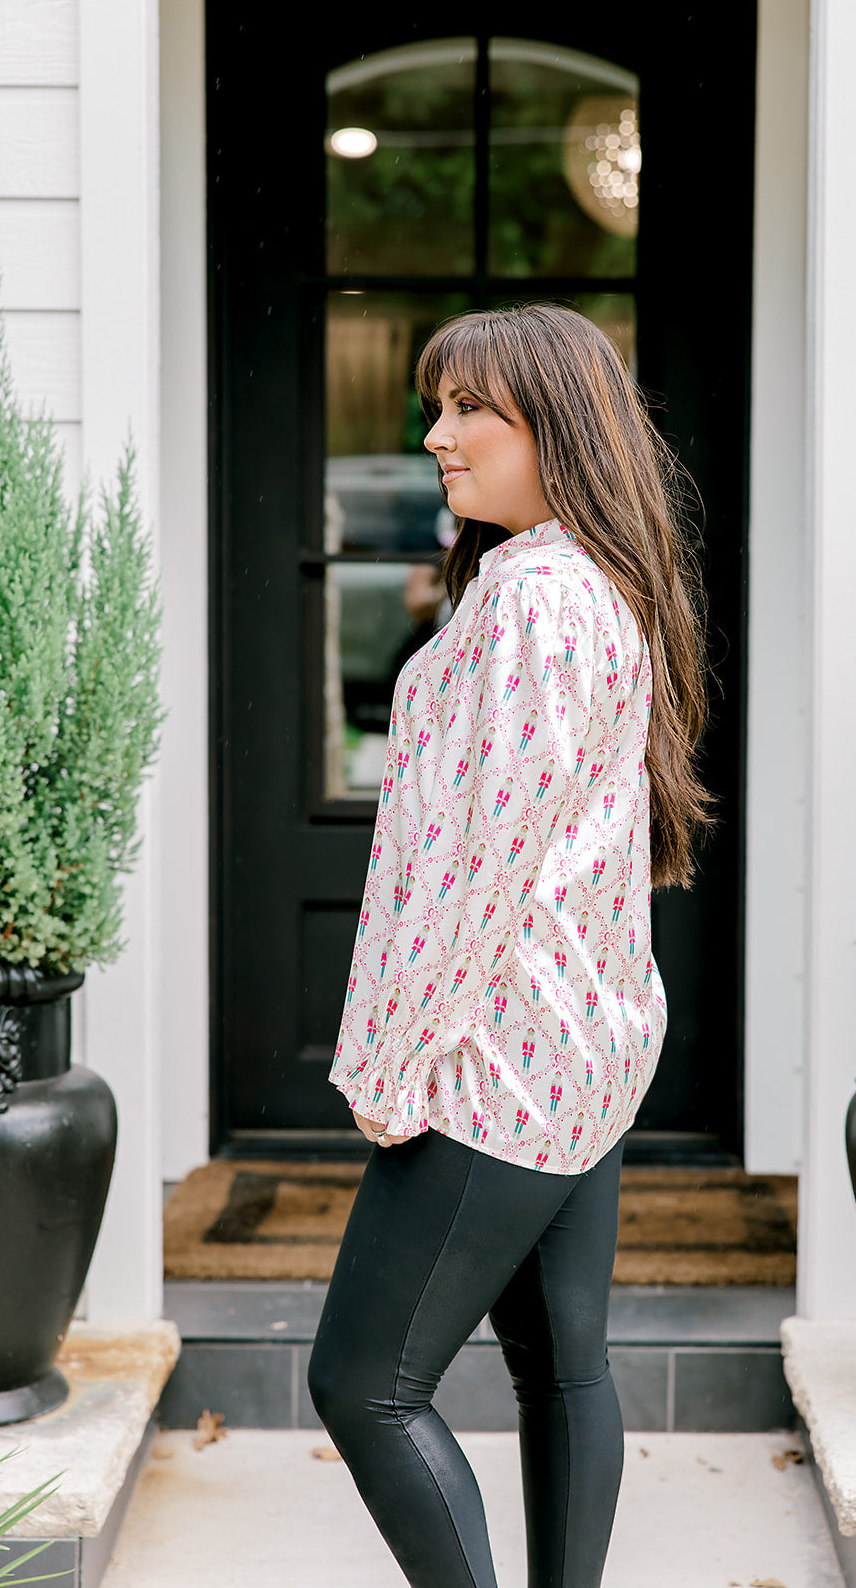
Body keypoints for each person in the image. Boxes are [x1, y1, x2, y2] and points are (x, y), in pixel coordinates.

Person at [308, 303, 713, 1588]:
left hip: (495, 1058)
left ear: (561, 427)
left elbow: (471, 870)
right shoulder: (588, 583)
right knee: (563, 1368)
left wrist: (387, 1063)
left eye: (469, 407)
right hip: (582, 1046)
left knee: (362, 1382)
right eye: (435, 406)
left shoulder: (536, 600)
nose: (437, 434)